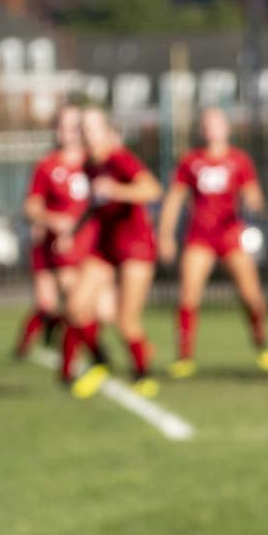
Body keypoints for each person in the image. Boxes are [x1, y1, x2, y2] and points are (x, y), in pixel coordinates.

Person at [157, 107, 268, 378]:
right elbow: (174, 199)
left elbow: (254, 195)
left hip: (230, 234)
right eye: (207, 124)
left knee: (251, 296)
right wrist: (165, 235)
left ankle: (262, 342)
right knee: (188, 295)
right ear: (202, 130)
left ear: (227, 128)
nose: (212, 129)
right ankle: (185, 356)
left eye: (217, 123)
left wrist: (253, 202)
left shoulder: (239, 160)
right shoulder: (190, 161)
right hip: (199, 237)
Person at [63, 108, 162, 399]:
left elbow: (152, 190)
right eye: (83, 129)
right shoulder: (89, 165)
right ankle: (100, 360)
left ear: (107, 132)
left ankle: (143, 373)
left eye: (93, 129)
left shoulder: (120, 159)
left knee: (126, 321)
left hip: (135, 247)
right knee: (74, 306)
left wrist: (117, 190)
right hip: (106, 247)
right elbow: (96, 205)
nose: (88, 135)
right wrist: (74, 231)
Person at [14, 106, 91, 360]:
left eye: (73, 127)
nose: (66, 133)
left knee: (86, 306)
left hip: (87, 245)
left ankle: (85, 353)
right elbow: (31, 207)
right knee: (48, 304)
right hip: (53, 245)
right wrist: (53, 221)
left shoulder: (94, 163)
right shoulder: (46, 165)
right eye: (61, 126)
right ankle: (29, 346)